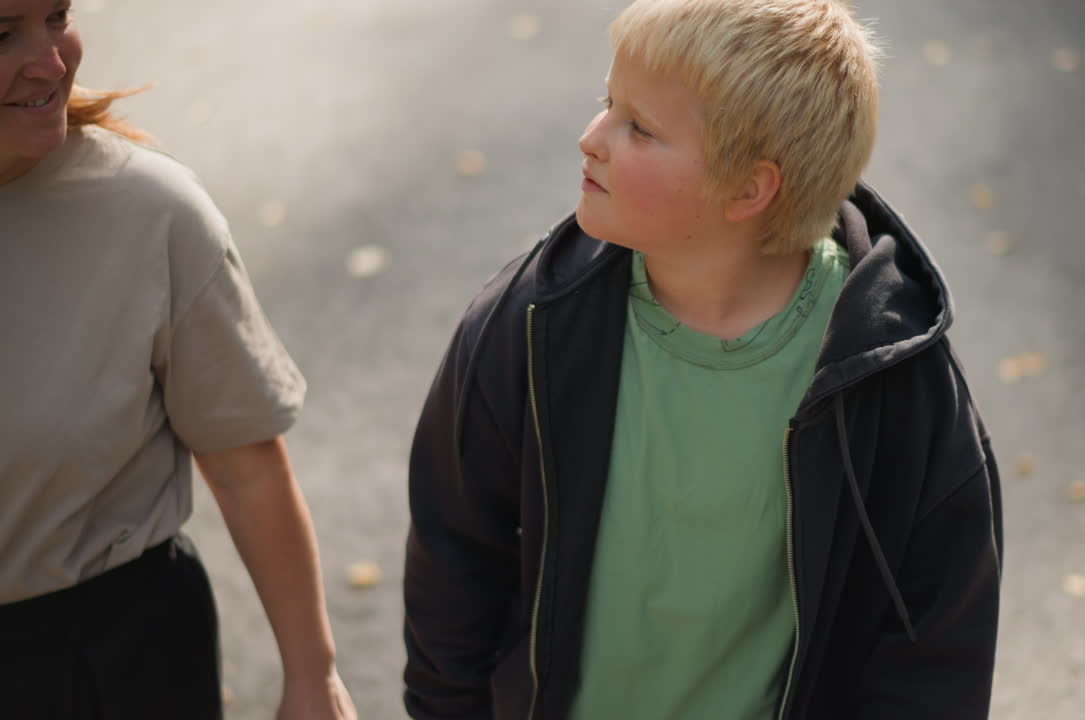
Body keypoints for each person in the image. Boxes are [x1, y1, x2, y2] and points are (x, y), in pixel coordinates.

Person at [403, 0, 1002, 717]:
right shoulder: (529, 324)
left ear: (749, 188)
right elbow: (453, 559)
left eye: (640, 129)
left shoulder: (895, 378)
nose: (591, 138)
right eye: (606, 104)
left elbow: (935, 642)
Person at [0, 1, 357, 718]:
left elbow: (243, 464)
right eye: (3, 33)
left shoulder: (148, 211)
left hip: (105, 669)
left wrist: (312, 678)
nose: (51, 60)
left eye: (57, 15)